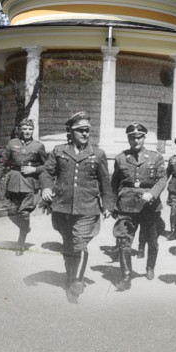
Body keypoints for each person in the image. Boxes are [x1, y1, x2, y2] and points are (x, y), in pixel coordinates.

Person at [40, 111, 114, 303]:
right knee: (68, 243)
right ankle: (70, 276)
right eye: (80, 130)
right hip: (62, 208)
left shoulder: (98, 154)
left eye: (87, 130)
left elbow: (105, 182)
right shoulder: (58, 151)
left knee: (80, 242)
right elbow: (46, 173)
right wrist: (46, 188)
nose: (85, 134)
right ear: (71, 132)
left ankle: (77, 281)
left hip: (87, 208)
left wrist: (108, 205)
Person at [111, 122, 167, 290]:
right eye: (132, 137)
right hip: (126, 205)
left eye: (139, 137)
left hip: (149, 206)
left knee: (152, 240)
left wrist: (153, 193)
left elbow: (162, 179)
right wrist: (113, 206)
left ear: (144, 138)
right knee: (123, 241)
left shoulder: (155, 157)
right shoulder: (121, 158)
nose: (136, 140)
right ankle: (126, 276)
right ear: (128, 138)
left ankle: (150, 267)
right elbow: (114, 184)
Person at [1, 119, 47, 245]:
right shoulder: (12, 143)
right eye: (25, 129)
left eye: (30, 129)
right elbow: (3, 161)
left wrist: (34, 169)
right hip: (14, 181)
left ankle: (21, 243)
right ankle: (25, 228)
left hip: (30, 183)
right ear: (20, 129)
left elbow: (47, 165)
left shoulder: (38, 146)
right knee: (13, 211)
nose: (27, 132)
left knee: (24, 212)